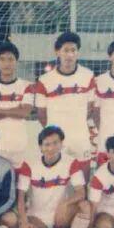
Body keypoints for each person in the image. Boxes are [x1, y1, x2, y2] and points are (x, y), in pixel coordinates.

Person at [17, 126, 90, 228]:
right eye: (47, 144)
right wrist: (24, 222)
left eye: (55, 143)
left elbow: (81, 192)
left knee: (85, 206)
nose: (51, 148)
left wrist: (65, 204)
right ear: (40, 147)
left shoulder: (71, 162)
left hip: (61, 215)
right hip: (38, 216)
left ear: (61, 144)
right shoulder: (29, 164)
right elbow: (21, 197)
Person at [35, 32, 95, 179]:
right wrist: (55, 131)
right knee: (59, 181)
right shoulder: (45, 80)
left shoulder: (88, 75)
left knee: (83, 182)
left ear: (78, 52)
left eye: (73, 50)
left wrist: (76, 123)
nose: (69, 55)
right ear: (57, 52)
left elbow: (91, 108)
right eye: (65, 50)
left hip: (80, 138)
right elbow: (41, 114)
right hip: (57, 141)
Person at [0, 42, 34, 168]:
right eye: (2, 59)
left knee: (19, 179)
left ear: (16, 62)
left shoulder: (27, 86)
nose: (7, 63)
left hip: (19, 145)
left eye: (10, 59)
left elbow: (25, 112)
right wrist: (15, 109)